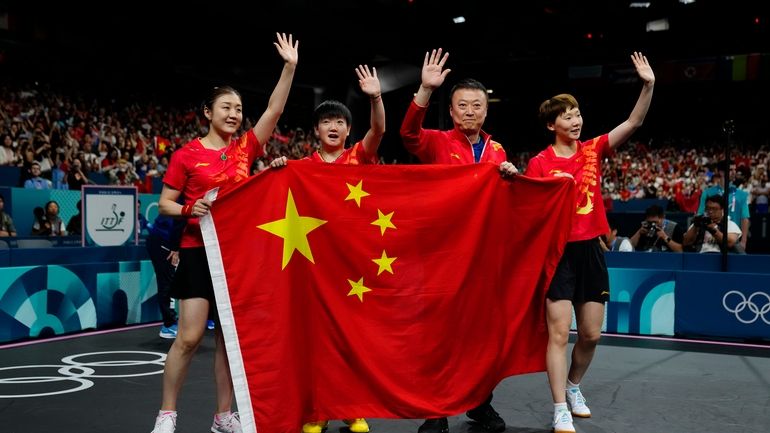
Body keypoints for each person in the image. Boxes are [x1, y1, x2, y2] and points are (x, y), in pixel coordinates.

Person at [149, 32, 298, 433]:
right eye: (226, 107)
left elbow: (274, 109)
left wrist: (289, 68)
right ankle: (167, 414)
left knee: (229, 343)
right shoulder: (187, 155)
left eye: (238, 108)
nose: (234, 114)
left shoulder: (246, 149)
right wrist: (186, 208)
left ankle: (223, 416)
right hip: (197, 249)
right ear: (207, 112)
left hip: (237, 256)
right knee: (190, 337)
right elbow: (164, 202)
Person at [524, 52, 654, 433]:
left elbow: (634, 121)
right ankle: (559, 407)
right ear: (552, 124)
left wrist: (647, 85)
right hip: (558, 254)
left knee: (593, 334)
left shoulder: (594, 149)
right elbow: (529, 213)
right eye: (567, 116)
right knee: (559, 334)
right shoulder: (540, 163)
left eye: (578, 113)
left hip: (591, 252)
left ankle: (574, 387)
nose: (576, 120)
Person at [399, 48, 518, 433]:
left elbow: (506, 205)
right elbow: (407, 134)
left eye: (477, 105)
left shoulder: (497, 150)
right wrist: (424, 90)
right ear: (451, 111)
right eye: (462, 105)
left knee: (481, 339)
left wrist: (512, 180)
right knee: (440, 338)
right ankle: (437, 411)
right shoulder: (436, 142)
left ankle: (480, 404)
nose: (469, 111)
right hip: (441, 258)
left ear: (486, 111)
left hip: (484, 261)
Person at [294, 64, 385, 433]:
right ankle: (318, 410)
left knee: (353, 339)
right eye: (327, 121)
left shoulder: (359, 157)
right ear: (316, 130)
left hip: (355, 264)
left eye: (340, 122)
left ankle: (353, 408)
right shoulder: (300, 167)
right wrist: (277, 169)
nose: (333, 127)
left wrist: (375, 97)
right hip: (314, 268)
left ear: (348, 130)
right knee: (316, 343)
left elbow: (378, 129)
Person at [696, 161, 750, 252]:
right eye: (731, 170)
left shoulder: (742, 194)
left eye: (735, 169)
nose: (734, 172)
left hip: (733, 239)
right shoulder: (708, 192)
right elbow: (700, 214)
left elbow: (744, 218)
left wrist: (744, 241)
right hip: (711, 240)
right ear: (721, 172)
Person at [146, 213, 184, 339]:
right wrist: (175, 247)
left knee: (173, 281)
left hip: (171, 240)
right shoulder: (180, 199)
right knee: (167, 282)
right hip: (165, 240)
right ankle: (169, 325)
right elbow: (179, 222)